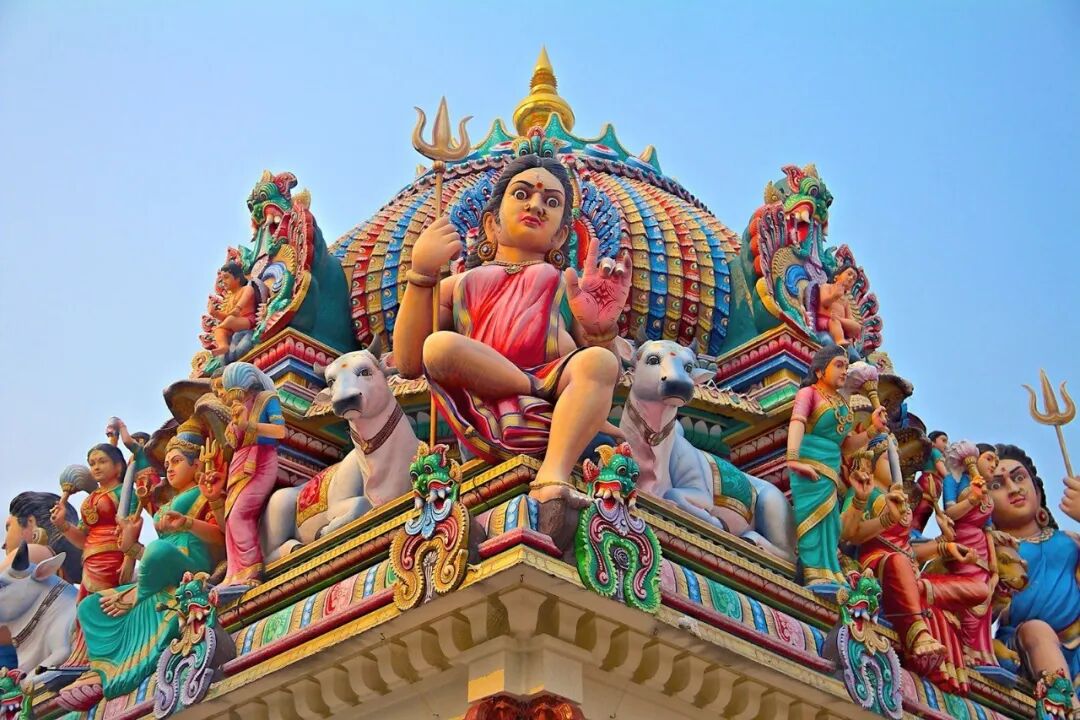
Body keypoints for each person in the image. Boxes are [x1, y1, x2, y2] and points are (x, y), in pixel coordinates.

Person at [393, 153, 631, 505]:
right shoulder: (459, 284)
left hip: (555, 381)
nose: (536, 205)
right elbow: (409, 362)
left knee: (599, 362)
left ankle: (553, 472)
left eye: (551, 202)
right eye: (521, 194)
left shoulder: (567, 285)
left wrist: (601, 332)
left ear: (561, 235)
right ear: (492, 224)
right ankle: (532, 387)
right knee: (438, 347)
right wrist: (422, 272)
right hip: (483, 394)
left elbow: (603, 373)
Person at [77, 420, 224, 698]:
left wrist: (189, 522)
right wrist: (132, 547)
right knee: (88, 607)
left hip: (191, 566)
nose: (169, 468)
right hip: (160, 571)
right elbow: (152, 557)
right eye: (167, 463)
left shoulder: (205, 491)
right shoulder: (167, 503)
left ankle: (138, 596)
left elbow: (222, 536)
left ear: (196, 465)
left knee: (157, 551)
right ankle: (104, 669)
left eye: (177, 461)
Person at [842, 439, 986, 694]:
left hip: (909, 571)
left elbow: (908, 548)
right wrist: (882, 515)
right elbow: (848, 533)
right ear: (871, 463)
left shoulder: (900, 499)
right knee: (898, 562)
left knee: (980, 589)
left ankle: (912, 590)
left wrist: (944, 547)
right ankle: (918, 635)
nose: (896, 464)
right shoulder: (866, 491)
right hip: (878, 565)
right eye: (888, 458)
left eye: (897, 459)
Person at [785, 345, 887, 589]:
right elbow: (797, 422)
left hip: (831, 470)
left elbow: (847, 446)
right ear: (820, 371)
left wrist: (873, 429)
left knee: (830, 522)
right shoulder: (809, 393)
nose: (844, 371)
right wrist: (793, 459)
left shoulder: (842, 404)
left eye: (846, 366)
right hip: (809, 463)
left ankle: (830, 570)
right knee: (812, 518)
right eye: (838, 365)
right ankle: (813, 571)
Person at [989, 444, 1080, 701]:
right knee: (1037, 631)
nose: (1014, 489)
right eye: (996, 485)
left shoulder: (1070, 541)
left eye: (1019, 478)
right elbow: (978, 611)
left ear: (1037, 490)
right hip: (1025, 645)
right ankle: (1065, 707)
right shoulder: (992, 553)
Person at [208, 362, 285, 589]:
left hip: (261, 460)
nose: (219, 394)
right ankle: (234, 574)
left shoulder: (266, 399)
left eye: (221, 386)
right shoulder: (235, 411)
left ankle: (251, 568)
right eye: (215, 391)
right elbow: (233, 445)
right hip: (239, 467)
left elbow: (280, 431)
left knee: (240, 515)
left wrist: (248, 424)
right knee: (231, 519)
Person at [50, 443, 133, 601]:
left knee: (99, 603)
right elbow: (83, 540)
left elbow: (132, 526)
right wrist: (62, 524)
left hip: (113, 557)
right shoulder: (90, 499)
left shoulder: (124, 492)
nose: (96, 467)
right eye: (92, 463)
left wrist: (130, 558)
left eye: (102, 461)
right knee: (83, 606)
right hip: (90, 559)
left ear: (118, 466)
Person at [3, 492, 82, 583]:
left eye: (8, 527)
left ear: (30, 522)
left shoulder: (31, 553)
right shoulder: (64, 573)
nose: (3, 545)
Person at [208, 261, 257, 357]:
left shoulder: (246, 289)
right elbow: (226, 317)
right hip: (233, 324)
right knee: (218, 330)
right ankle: (223, 346)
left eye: (226, 277)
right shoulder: (229, 298)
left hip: (248, 320)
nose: (223, 282)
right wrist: (215, 313)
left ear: (237, 278)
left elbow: (243, 301)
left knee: (229, 320)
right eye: (221, 280)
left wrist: (238, 308)